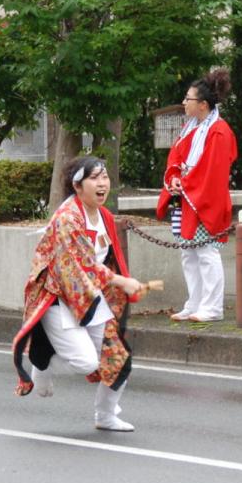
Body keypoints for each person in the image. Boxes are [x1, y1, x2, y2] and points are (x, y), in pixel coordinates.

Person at [12, 156, 144, 432]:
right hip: (57, 298)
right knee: (86, 362)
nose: (102, 183)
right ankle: (43, 361)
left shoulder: (103, 215)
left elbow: (106, 260)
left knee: (117, 358)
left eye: (105, 176)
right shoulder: (67, 218)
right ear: (77, 185)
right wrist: (122, 282)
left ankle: (106, 415)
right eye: (94, 178)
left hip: (90, 297)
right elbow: (82, 263)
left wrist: (120, 286)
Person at [156, 68, 237, 322]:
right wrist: (174, 179)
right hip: (188, 198)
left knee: (206, 252)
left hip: (204, 200)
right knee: (188, 252)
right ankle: (195, 302)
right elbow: (176, 159)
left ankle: (212, 307)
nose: (183, 103)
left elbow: (213, 171)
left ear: (202, 104)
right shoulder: (191, 128)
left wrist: (185, 182)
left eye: (187, 99)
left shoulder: (219, 131)